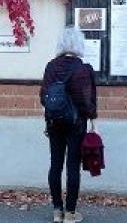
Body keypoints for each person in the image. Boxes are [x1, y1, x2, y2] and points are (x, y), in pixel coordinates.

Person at [40, 27, 97, 223]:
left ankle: (57, 211)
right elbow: (87, 100)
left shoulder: (50, 67)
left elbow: (43, 97)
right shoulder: (83, 69)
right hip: (76, 124)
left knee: (55, 164)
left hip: (54, 122)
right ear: (79, 44)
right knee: (73, 165)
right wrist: (93, 120)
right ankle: (70, 213)